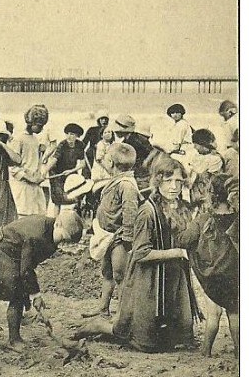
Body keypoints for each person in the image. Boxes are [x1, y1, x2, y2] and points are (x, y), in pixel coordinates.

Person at [72, 158, 196, 353]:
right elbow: (140, 253)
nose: (174, 187)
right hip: (149, 281)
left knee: (180, 338)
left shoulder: (182, 208)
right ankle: (99, 326)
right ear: (157, 181)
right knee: (146, 343)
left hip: (173, 279)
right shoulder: (147, 212)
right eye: (168, 181)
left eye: (178, 182)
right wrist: (178, 252)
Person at [0, 210, 85, 348]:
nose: (62, 245)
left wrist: (34, 294)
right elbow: (26, 270)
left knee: (22, 290)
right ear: (57, 224)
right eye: (63, 239)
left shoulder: (49, 229)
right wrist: (36, 294)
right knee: (16, 294)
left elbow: (28, 265)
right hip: (1, 251)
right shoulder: (37, 235)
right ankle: (13, 340)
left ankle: (20, 319)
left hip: (14, 252)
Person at [174, 173, 239, 357]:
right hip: (234, 273)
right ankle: (239, 352)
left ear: (211, 194)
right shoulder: (239, 218)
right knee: (235, 313)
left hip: (212, 276)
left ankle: (206, 350)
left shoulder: (203, 218)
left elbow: (185, 240)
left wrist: (179, 227)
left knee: (213, 313)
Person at [85, 142, 140, 319]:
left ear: (110, 163)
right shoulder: (116, 181)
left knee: (120, 275)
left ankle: (124, 314)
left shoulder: (126, 185)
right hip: (108, 236)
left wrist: (127, 238)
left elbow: (130, 212)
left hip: (119, 238)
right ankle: (103, 308)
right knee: (107, 272)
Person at [9, 104, 51, 217]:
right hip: (22, 187)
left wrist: (40, 174)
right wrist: (30, 178)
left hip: (35, 187)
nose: (42, 129)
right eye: (39, 125)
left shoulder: (36, 139)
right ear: (30, 122)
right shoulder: (19, 139)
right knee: (23, 218)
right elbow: (13, 168)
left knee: (39, 217)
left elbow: (36, 164)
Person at [45, 123, 90, 217]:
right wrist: (45, 171)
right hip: (57, 172)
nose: (70, 136)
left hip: (71, 172)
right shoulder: (62, 144)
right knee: (58, 199)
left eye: (73, 134)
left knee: (76, 195)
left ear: (77, 136)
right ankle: (55, 220)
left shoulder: (80, 145)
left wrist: (72, 170)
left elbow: (82, 163)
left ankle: (77, 219)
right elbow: (54, 159)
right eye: (68, 133)